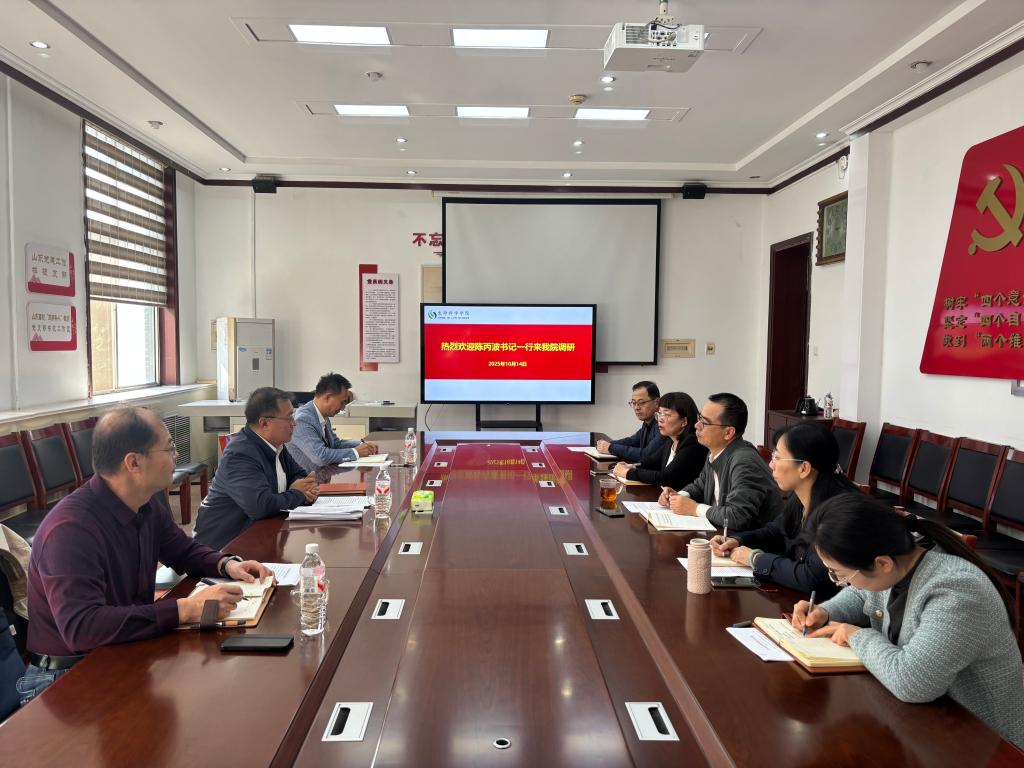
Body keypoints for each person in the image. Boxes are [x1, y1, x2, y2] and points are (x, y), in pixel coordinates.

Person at [18, 407, 270, 704]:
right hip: (66, 678)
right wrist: (186, 609)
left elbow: (182, 550)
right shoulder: (71, 530)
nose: (176, 455)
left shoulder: (146, 503)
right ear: (134, 462)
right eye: (170, 448)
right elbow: (83, 628)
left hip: (120, 650)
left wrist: (225, 564)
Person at [792, 495, 1024, 750]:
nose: (841, 582)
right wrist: (825, 612)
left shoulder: (957, 590)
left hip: (988, 743)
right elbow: (863, 593)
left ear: (882, 563)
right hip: (929, 725)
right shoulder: (899, 562)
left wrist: (856, 635)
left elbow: (913, 683)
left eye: (840, 574)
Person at [710, 421, 859, 595]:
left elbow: (812, 577)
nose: (771, 464)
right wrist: (737, 540)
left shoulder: (838, 512)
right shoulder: (802, 493)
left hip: (825, 605)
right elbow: (777, 532)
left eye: (777, 458)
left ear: (804, 468)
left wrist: (755, 559)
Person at [194, 387, 319, 550]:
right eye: (289, 417)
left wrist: (303, 488)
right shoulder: (240, 454)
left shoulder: (277, 445)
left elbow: (299, 476)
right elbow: (261, 506)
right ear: (264, 423)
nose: (294, 423)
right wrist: (299, 494)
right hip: (223, 547)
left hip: (260, 535)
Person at [660, 392, 781, 531]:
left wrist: (694, 508)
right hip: (722, 534)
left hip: (750, 541)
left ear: (728, 433)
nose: (697, 425)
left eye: (705, 422)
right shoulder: (715, 451)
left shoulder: (744, 461)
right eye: (699, 418)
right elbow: (700, 485)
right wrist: (678, 496)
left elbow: (737, 516)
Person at [612, 391, 707, 489]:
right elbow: (651, 462)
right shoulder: (671, 440)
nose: (660, 419)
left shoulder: (693, 444)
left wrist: (627, 473)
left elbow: (665, 478)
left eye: (667, 415)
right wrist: (632, 466)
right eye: (660, 413)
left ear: (684, 421)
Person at [288, 372, 379, 471]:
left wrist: (362, 444)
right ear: (328, 397)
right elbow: (320, 457)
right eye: (342, 402)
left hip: (323, 474)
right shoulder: (303, 420)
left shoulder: (322, 415)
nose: (343, 407)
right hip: (307, 478)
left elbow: (335, 444)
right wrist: (356, 452)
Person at [596, 381, 666, 464]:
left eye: (641, 402)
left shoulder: (663, 425)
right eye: (634, 403)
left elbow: (646, 455)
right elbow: (632, 441)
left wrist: (610, 447)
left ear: (657, 402)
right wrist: (606, 444)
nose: (636, 407)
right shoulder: (648, 422)